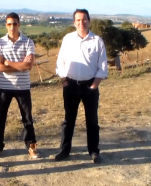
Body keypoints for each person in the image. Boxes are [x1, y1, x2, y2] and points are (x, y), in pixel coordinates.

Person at [55, 9, 108, 164]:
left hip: (90, 87)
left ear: (89, 21)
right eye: (78, 20)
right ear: (74, 22)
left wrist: (93, 86)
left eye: (84, 19)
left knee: (92, 121)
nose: (81, 22)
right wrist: (64, 81)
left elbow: (102, 67)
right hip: (70, 85)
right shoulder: (68, 39)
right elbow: (60, 63)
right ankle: (65, 150)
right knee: (68, 120)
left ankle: (93, 151)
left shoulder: (97, 41)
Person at [0, 12, 39, 159]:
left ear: (19, 24)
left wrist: (8, 63)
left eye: (15, 23)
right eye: (9, 24)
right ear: (6, 25)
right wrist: (20, 65)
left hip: (23, 87)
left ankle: (31, 145)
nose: (12, 27)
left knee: (27, 118)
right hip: (4, 86)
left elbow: (28, 66)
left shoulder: (28, 42)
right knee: (0, 118)